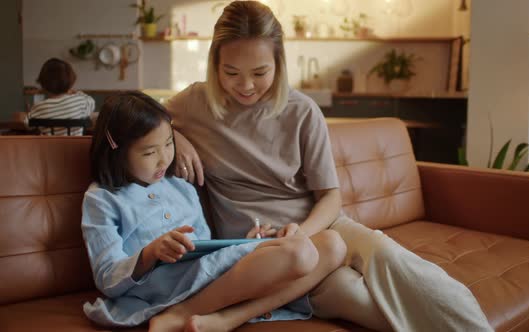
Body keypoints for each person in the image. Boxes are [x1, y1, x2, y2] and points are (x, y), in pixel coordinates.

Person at [166, 1, 494, 331]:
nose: (246, 86)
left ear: (279, 63)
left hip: (320, 227)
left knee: (390, 258)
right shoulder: (195, 104)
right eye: (231, 73)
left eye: (260, 73)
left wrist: (302, 233)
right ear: (215, 63)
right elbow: (132, 120)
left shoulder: (302, 112)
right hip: (262, 248)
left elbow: (330, 198)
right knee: (351, 296)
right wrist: (173, 136)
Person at [81, 91, 346, 332]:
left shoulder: (180, 187)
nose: (164, 159)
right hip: (165, 287)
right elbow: (107, 278)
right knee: (299, 252)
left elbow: (205, 247)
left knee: (333, 244)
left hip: (208, 276)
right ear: (117, 152)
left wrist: (248, 241)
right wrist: (149, 253)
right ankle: (183, 312)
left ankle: (227, 318)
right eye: (150, 152)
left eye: (169, 144)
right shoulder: (102, 200)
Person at [28, 58, 95, 136]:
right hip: (77, 147)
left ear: (43, 85)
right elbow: (91, 101)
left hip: (48, 148)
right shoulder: (81, 102)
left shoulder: (38, 107)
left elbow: (28, 125)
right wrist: (77, 92)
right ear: (70, 83)